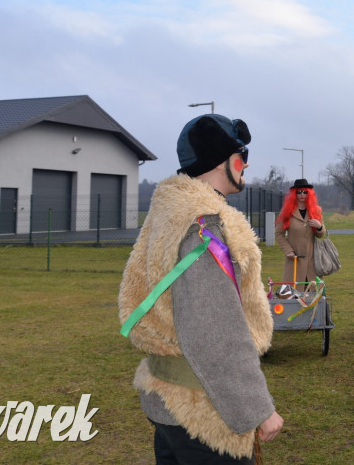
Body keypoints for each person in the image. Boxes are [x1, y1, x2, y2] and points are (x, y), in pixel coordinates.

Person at [119, 114, 282, 463]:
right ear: (227, 161)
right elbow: (216, 330)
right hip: (202, 412)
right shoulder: (205, 226)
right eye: (242, 155)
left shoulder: (170, 211)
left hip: (168, 400)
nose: (246, 164)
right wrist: (258, 409)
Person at [275, 178, 326, 294]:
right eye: (299, 192)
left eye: (305, 192)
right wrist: (288, 250)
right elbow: (279, 234)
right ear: (294, 194)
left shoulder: (316, 211)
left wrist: (319, 227)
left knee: (315, 297)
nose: (302, 195)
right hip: (294, 262)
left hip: (312, 262)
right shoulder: (287, 211)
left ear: (309, 194)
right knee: (293, 296)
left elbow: (321, 235)